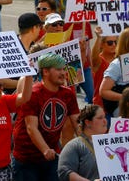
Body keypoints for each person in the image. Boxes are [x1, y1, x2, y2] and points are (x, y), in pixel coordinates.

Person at [12, 53, 80, 181]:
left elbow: (78, 124)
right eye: (58, 69)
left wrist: (91, 144)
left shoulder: (68, 94)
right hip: (26, 159)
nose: (63, 73)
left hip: (52, 157)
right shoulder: (33, 94)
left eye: (64, 69)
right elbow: (31, 128)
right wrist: (45, 150)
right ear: (46, 71)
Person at [57, 104, 107, 181]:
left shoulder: (111, 144)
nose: (105, 121)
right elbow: (64, 171)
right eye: (100, 118)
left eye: (105, 117)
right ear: (88, 122)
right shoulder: (74, 146)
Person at [91, 26, 117, 107]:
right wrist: (98, 37)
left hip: (117, 104)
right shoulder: (100, 61)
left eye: (115, 42)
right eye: (110, 43)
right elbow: (93, 59)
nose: (113, 45)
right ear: (101, 45)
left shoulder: (118, 58)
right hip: (101, 106)